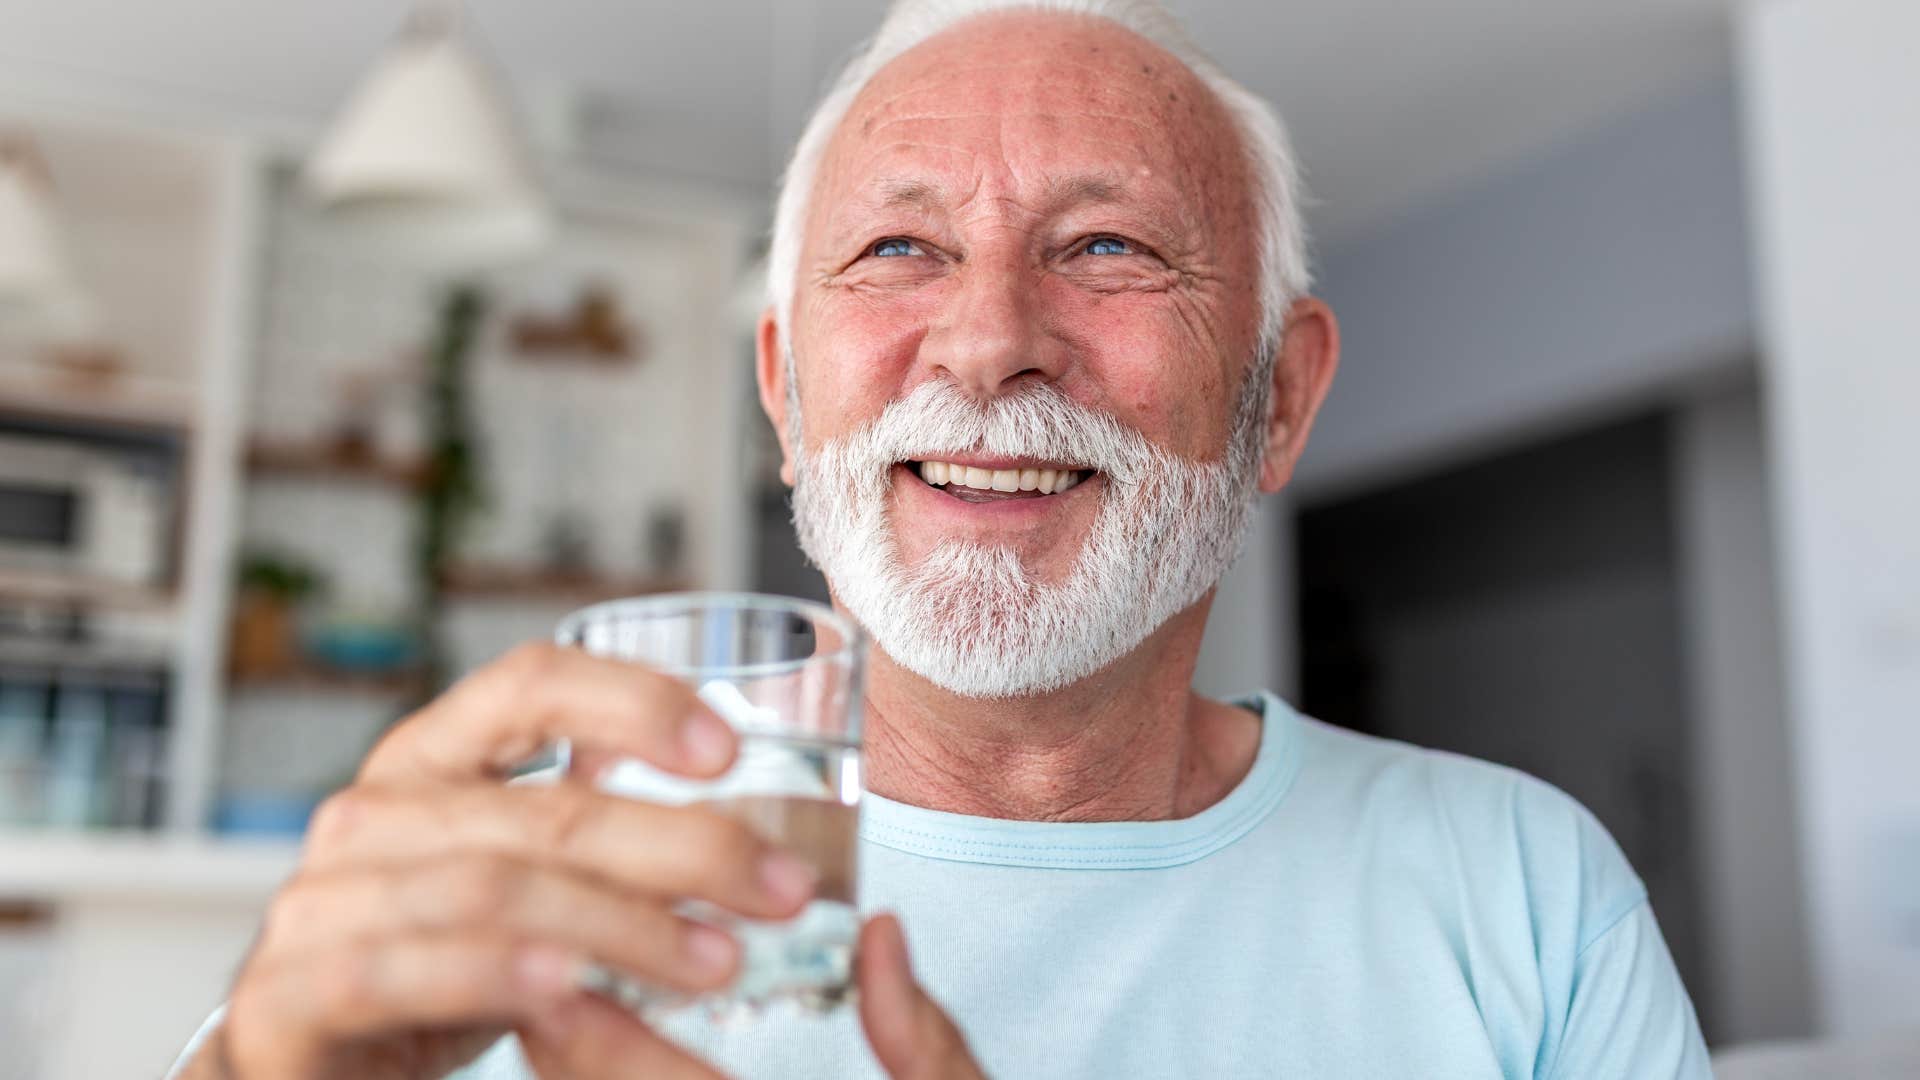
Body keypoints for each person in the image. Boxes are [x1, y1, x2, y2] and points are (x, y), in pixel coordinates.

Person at [173, 0, 1711, 1077]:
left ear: (1279, 399)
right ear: (786, 388)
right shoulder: (511, 894)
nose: (985, 346)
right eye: (900, 248)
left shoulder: (1522, 889)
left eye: (1106, 247)